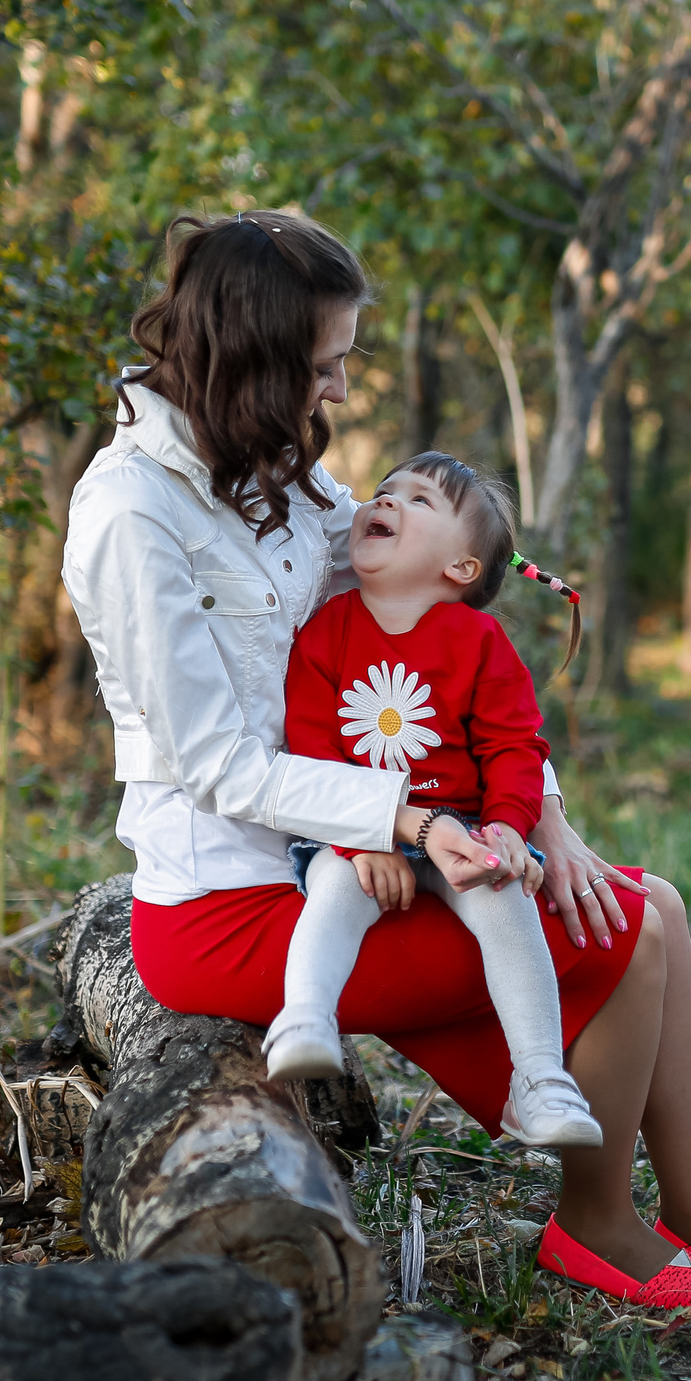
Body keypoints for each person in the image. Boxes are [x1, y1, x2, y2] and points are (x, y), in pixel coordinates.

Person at [60, 208, 691, 1309]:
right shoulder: (132, 514)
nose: (340, 393)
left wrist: (544, 819)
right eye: (327, 365)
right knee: (624, 932)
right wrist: (407, 821)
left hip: (336, 859)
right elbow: (217, 767)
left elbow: (432, 621)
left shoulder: (280, 481)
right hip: (226, 909)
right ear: (256, 356)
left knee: (656, 904)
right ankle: (598, 1227)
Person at [266, 449, 602, 1154]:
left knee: (504, 899)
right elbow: (312, 751)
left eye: (418, 501)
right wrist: (364, 843)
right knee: (331, 886)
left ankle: (539, 1079)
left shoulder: (481, 642)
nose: (385, 501)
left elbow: (514, 746)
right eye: (385, 491)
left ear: (461, 568)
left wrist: (511, 829)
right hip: (356, 829)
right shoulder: (325, 632)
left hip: (469, 825)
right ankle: (304, 1018)